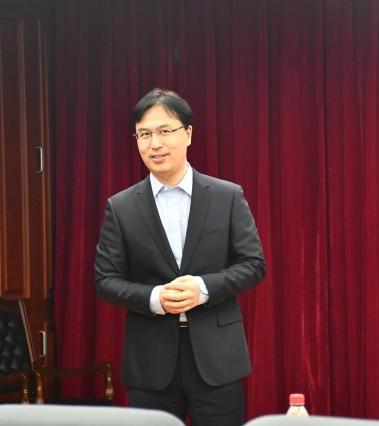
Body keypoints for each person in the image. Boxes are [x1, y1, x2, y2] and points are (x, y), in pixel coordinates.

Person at [95, 88, 266, 426]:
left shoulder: (227, 196)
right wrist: (155, 297)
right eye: (144, 134)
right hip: (150, 363)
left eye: (164, 131)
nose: (154, 144)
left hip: (217, 360)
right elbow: (105, 280)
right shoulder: (121, 207)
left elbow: (253, 264)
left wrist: (203, 288)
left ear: (188, 134)